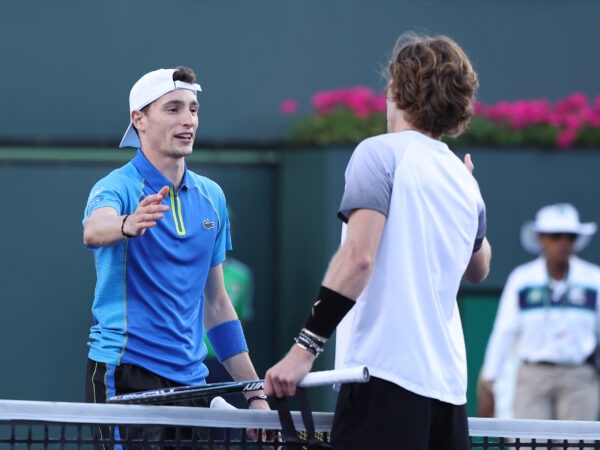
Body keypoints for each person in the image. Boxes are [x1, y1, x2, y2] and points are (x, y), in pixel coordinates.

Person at [264, 32, 491, 450]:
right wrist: (469, 195)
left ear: (395, 89)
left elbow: (358, 258)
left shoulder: (378, 153)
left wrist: (304, 350)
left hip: (384, 380)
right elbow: (479, 268)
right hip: (448, 393)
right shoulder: (463, 180)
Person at [82, 66, 269, 445]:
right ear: (140, 120)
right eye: (173, 109)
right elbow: (94, 229)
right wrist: (126, 224)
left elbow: (217, 304)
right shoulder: (116, 187)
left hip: (192, 381)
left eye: (193, 109)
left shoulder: (212, 196)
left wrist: (255, 393)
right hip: (126, 373)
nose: (188, 120)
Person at [478, 203, 600, 421]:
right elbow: (504, 331)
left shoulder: (594, 279)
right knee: (530, 443)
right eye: (556, 236)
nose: (564, 242)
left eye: (570, 236)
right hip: (533, 376)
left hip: (579, 377)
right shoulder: (522, 278)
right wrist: (489, 381)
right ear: (541, 238)